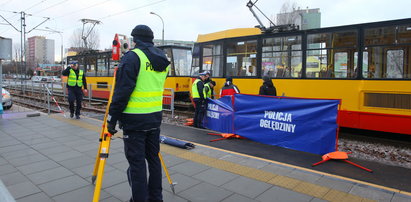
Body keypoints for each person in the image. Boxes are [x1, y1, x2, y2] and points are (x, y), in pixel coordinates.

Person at [106, 24, 170, 202]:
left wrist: (112, 119)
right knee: (154, 160)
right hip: (155, 118)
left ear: (135, 40)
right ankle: (156, 198)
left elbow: (122, 92)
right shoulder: (163, 59)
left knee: (137, 165)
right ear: (151, 39)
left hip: (134, 121)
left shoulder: (133, 57)